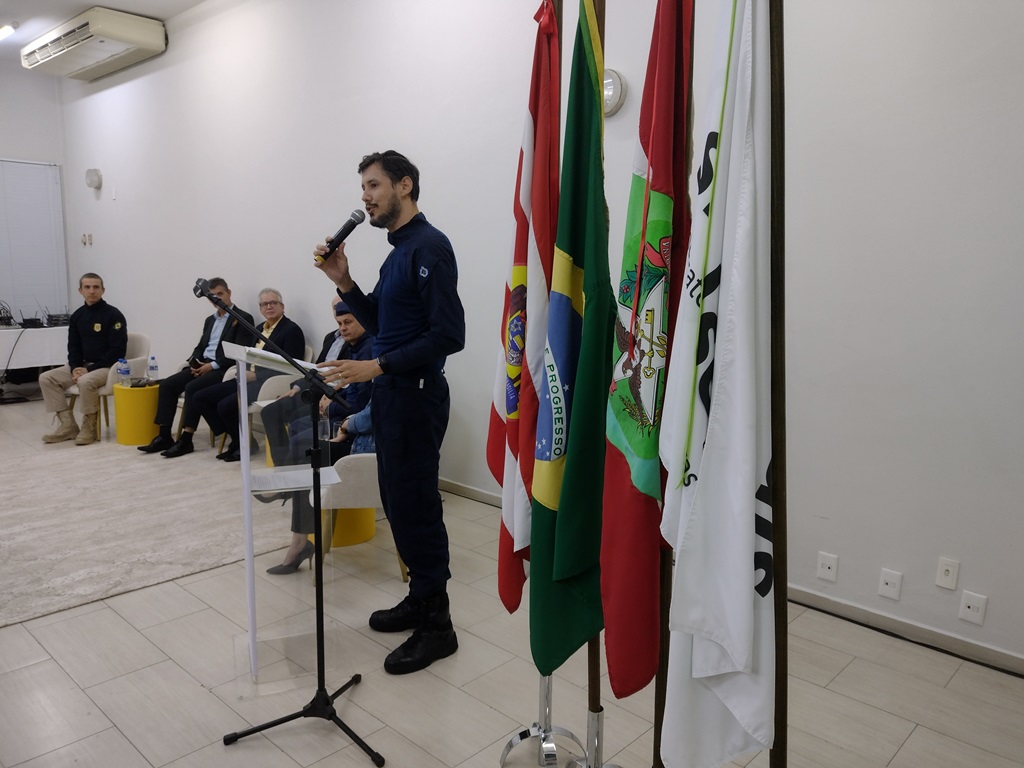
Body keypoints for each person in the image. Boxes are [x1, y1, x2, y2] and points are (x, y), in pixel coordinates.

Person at [314, 150, 465, 675]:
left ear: (404, 186)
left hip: (417, 397)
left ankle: (439, 626)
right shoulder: (397, 253)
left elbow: (449, 335)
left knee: (418, 508)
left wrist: (376, 366)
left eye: (374, 186)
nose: (366, 198)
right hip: (395, 397)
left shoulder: (430, 246)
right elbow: (382, 323)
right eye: (363, 189)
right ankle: (421, 598)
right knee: (399, 504)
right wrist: (344, 282)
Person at [261, 297, 374, 574]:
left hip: (363, 441)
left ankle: (299, 538)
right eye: (339, 322)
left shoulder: (375, 350)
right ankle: (296, 512)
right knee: (300, 434)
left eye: (348, 322)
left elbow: (366, 407)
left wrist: (337, 413)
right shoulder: (356, 346)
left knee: (304, 445)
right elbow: (343, 386)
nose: (342, 328)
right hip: (351, 426)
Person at [138, 277, 256, 456]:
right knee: (167, 385)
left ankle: (186, 439)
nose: (217, 299)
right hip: (202, 365)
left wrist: (212, 365)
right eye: (212, 296)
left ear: (229, 293)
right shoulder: (210, 320)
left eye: (220, 294)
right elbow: (201, 346)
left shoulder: (242, 318)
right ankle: (164, 435)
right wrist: (195, 361)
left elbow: (239, 352)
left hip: (223, 369)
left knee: (192, 388)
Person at [188, 288, 305, 461]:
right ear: (260, 309)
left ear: (282, 306)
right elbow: (248, 355)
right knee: (200, 397)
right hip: (246, 377)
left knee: (226, 406)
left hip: (266, 382)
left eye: (273, 303)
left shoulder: (291, 330)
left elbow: (291, 366)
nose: (269, 307)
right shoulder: (259, 328)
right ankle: (240, 440)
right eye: (265, 304)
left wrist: (257, 376)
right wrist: (241, 369)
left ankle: (242, 445)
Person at [40, 273, 127, 446]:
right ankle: (68, 425)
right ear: (80, 290)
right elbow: (73, 347)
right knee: (46, 378)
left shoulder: (114, 315)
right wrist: (75, 367)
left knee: (85, 381)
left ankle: (89, 426)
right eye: (87, 287)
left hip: (108, 367)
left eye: (96, 287)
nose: (92, 291)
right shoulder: (77, 316)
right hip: (84, 366)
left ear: (103, 290)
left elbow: (117, 351)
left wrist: (88, 370)